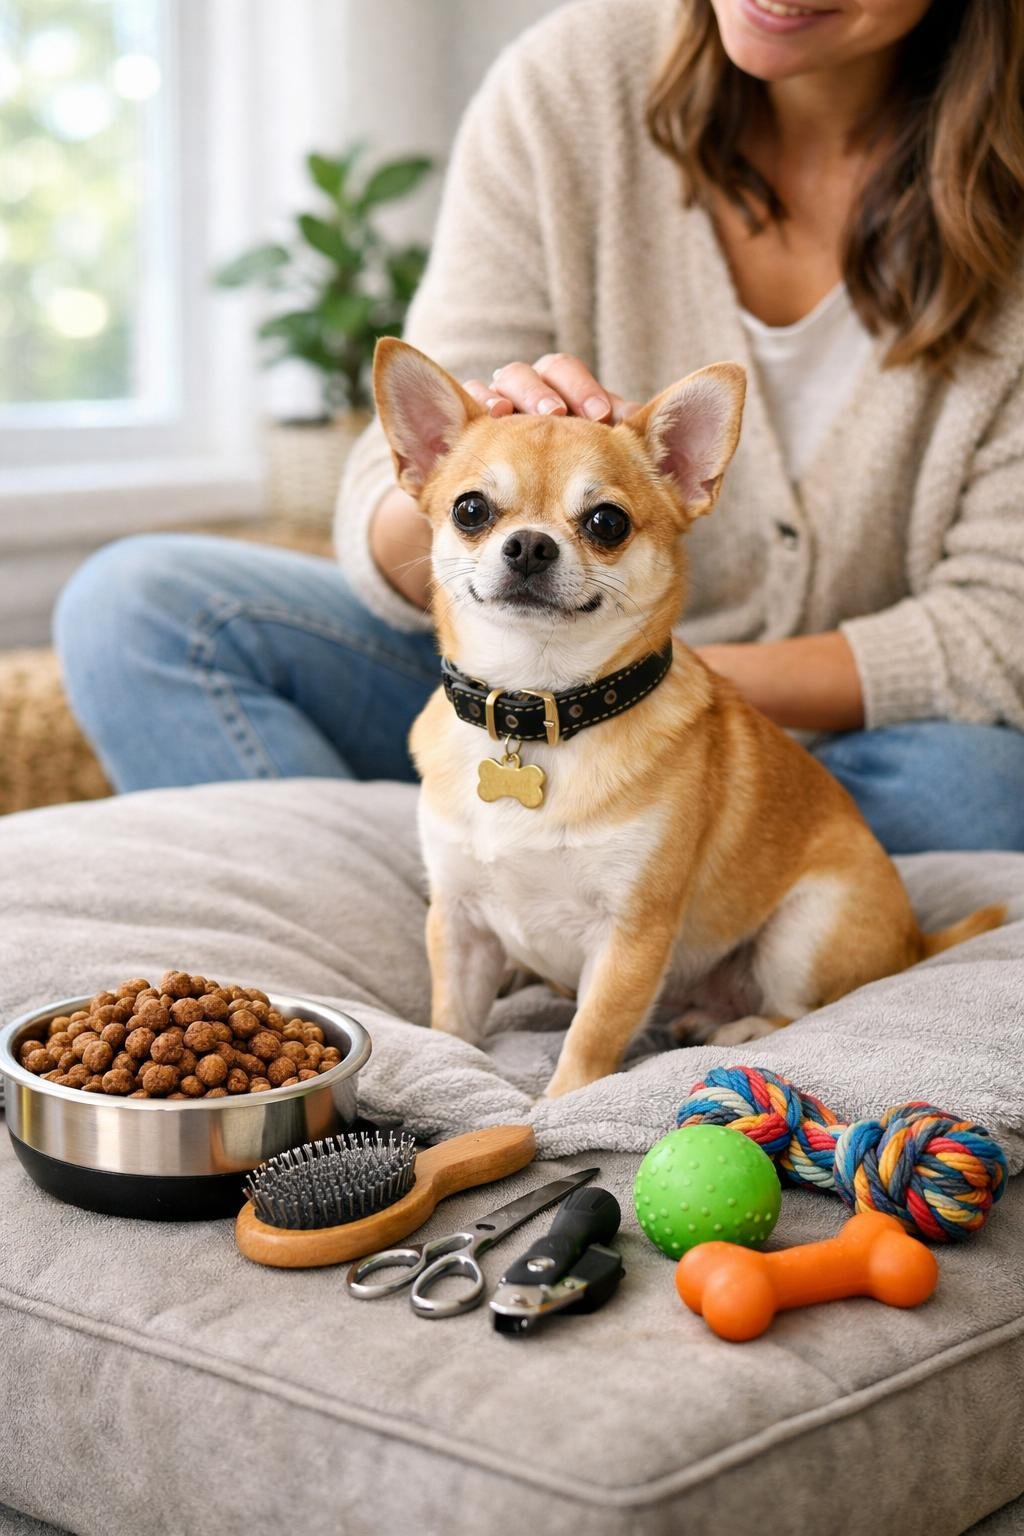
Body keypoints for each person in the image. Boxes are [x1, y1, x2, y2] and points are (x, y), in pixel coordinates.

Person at [56, 0, 1024, 852]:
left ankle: (626, 882)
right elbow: (383, 519)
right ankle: (461, 886)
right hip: (488, 671)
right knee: (134, 606)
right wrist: (461, 455)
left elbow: (997, 627)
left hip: (806, 747)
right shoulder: (569, 81)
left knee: (981, 793)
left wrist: (631, 696)